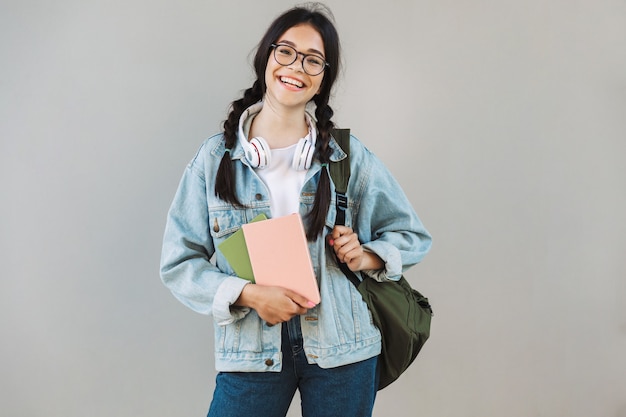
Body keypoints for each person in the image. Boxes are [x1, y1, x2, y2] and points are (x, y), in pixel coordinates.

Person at [160, 4, 432, 417]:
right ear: (266, 58)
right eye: (285, 51)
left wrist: (367, 254)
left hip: (342, 346)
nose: (296, 67)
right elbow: (178, 262)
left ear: (323, 78)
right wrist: (249, 295)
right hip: (251, 349)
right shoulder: (214, 159)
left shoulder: (347, 157)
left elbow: (411, 236)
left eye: (313, 60)